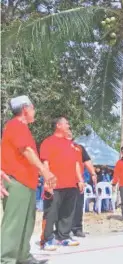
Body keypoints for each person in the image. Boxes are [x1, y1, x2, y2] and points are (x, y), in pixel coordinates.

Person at [1, 95, 56, 264]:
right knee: (14, 223)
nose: (34, 111)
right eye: (33, 108)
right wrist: (45, 172)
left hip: (26, 182)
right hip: (16, 181)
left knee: (27, 222)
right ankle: (6, 259)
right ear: (25, 109)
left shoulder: (21, 128)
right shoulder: (16, 125)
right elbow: (27, 151)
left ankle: (23, 256)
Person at [40, 117, 85, 251]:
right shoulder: (48, 142)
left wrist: (80, 180)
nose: (68, 125)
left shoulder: (71, 144)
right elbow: (45, 163)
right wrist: (47, 181)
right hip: (55, 185)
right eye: (66, 123)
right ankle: (47, 240)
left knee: (67, 212)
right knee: (51, 213)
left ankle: (63, 237)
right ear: (58, 125)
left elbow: (76, 163)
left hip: (71, 184)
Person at [69, 134, 97, 237]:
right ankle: (63, 230)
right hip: (63, 181)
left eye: (70, 132)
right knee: (64, 206)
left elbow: (87, 161)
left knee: (78, 205)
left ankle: (77, 228)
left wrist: (93, 173)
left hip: (78, 181)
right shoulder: (59, 146)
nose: (69, 133)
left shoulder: (79, 148)